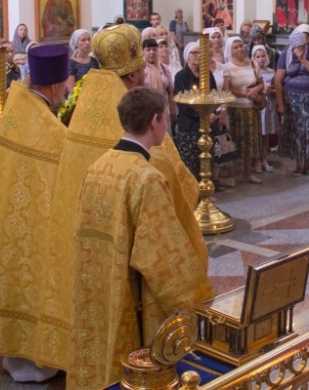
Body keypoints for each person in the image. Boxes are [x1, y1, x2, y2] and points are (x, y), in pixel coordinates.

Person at [52, 24, 207, 380]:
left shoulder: (92, 147)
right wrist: (195, 294)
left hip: (93, 265)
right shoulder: (148, 171)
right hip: (133, 271)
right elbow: (166, 238)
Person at [69, 88, 214, 390]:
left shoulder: (98, 166)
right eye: (166, 118)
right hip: (128, 291)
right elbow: (162, 257)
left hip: (97, 284)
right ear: (154, 121)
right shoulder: (146, 178)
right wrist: (197, 295)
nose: (167, 125)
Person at [0, 44, 70, 381]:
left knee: (16, 283)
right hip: (40, 225)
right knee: (38, 287)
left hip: (11, 221)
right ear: (56, 86)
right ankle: (39, 360)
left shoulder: (15, 112)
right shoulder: (48, 128)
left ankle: (14, 355)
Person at [275, 30, 309, 175]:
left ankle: (307, 165)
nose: (299, 48)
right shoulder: (286, 54)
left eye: (302, 46)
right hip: (292, 100)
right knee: (296, 130)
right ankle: (298, 165)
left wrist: (303, 59)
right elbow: (278, 80)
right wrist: (280, 104)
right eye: (297, 47)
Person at [222, 36, 265, 182]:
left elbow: (261, 83)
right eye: (236, 47)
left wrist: (255, 90)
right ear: (230, 50)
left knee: (249, 142)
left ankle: (248, 173)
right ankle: (230, 175)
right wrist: (244, 93)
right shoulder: (227, 67)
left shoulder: (253, 64)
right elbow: (227, 89)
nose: (239, 49)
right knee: (232, 142)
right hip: (235, 109)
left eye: (241, 45)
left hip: (251, 108)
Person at [173, 42, 218, 179]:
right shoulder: (181, 76)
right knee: (190, 165)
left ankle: (205, 187)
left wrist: (213, 113)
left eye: (200, 53)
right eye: (194, 53)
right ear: (187, 56)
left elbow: (215, 95)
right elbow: (182, 103)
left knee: (207, 163)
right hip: (189, 126)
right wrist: (203, 115)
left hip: (207, 126)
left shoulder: (207, 74)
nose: (198, 56)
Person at [252, 44, 279, 161]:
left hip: (268, 105)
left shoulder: (271, 72)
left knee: (265, 134)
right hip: (257, 104)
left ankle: (264, 159)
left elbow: (276, 90)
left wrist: (270, 90)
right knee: (256, 133)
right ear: (254, 58)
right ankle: (256, 160)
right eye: (258, 57)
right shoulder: (252, 71)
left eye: (263, 56)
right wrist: (260, 90)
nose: (261, 59)